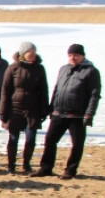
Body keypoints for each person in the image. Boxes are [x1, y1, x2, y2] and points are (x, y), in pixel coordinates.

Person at [31, 44, 101, 179]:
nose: (73, 58)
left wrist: (89, 114)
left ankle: (70, 170)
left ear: (82, 56)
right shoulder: (63, 69)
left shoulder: (91, 71)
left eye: (76, 55)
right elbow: (57, 89)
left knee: (77, 144)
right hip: (59, 112)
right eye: (70, 55)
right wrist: (51, 108)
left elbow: (94, 94)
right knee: (50, 140)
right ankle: (46, 168)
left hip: (77, 115)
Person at [0, 41, 49, 174]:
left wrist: (44, 110)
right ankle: (11, 165)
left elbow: (44, 90)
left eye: (34, 52)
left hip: (33, 109)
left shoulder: (39, 68)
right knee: (13, 138)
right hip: (15, 109)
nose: (32, 54)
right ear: (23, 54)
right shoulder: (13, 68)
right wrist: (2, 111)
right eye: (29, 52)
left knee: (31, 138)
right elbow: (5, 90)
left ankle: (26, 164)